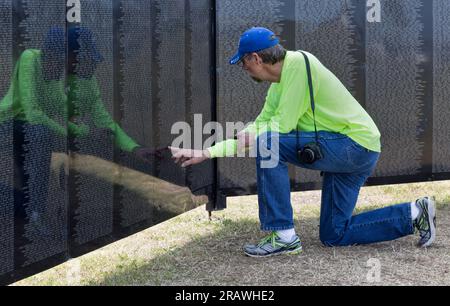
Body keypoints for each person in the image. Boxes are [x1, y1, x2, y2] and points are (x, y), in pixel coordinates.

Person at [170, 27, 437, 257]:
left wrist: (255, 136)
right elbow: (260, 126)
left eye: (243, 61)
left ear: (255, 57)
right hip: (355, 151)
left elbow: (275, 131)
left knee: (269, 143)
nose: (243, 67)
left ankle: (283, 235)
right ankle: (414, 213)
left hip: (353, 145)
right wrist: (207, 151)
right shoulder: (278, 86)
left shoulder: (297, 63)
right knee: (334, 234)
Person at [0, 26, 162, 227]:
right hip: (9, 125)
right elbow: (33, 113)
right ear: (67, 56)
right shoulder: (32, 59)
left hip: (35, 135)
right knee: (40, 132)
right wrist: (79, 132)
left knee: (26, 200)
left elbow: (101, 119)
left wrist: (133, 147)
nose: (92, 65)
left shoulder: (81, 80)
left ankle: (35, 215)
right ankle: (33, 213)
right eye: (85, 59)